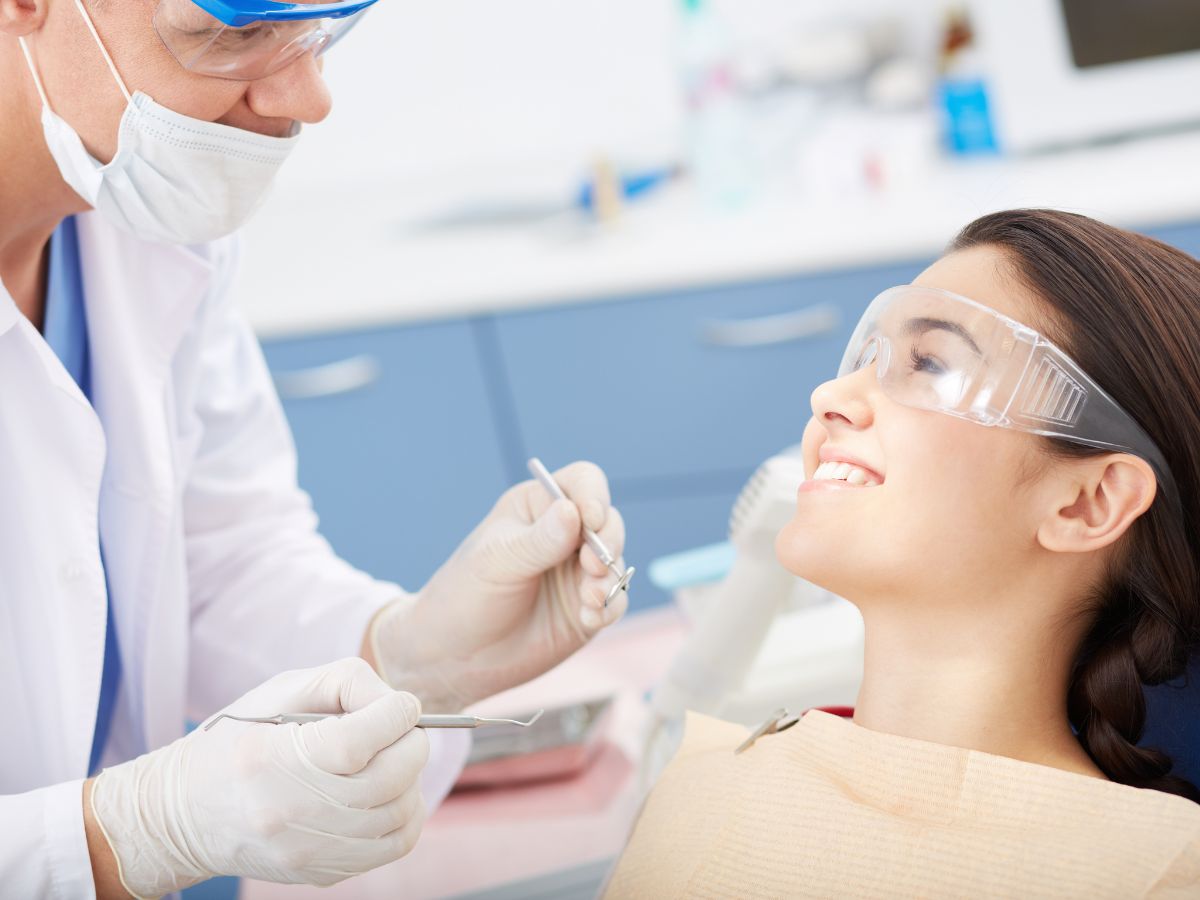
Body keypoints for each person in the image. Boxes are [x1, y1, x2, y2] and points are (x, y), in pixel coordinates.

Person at [0, 0, 628, 896]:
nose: (308, 95)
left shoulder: (147, 226)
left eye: (319, 26)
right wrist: (127, 837)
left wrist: (410, 653)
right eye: (230, 34)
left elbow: (216, 566)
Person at [607, 209, 1200, 898]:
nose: (828, 397)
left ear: (1086, 503)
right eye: (866, 359)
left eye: (931, 364)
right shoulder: (697, 791)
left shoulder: (1153, 874)